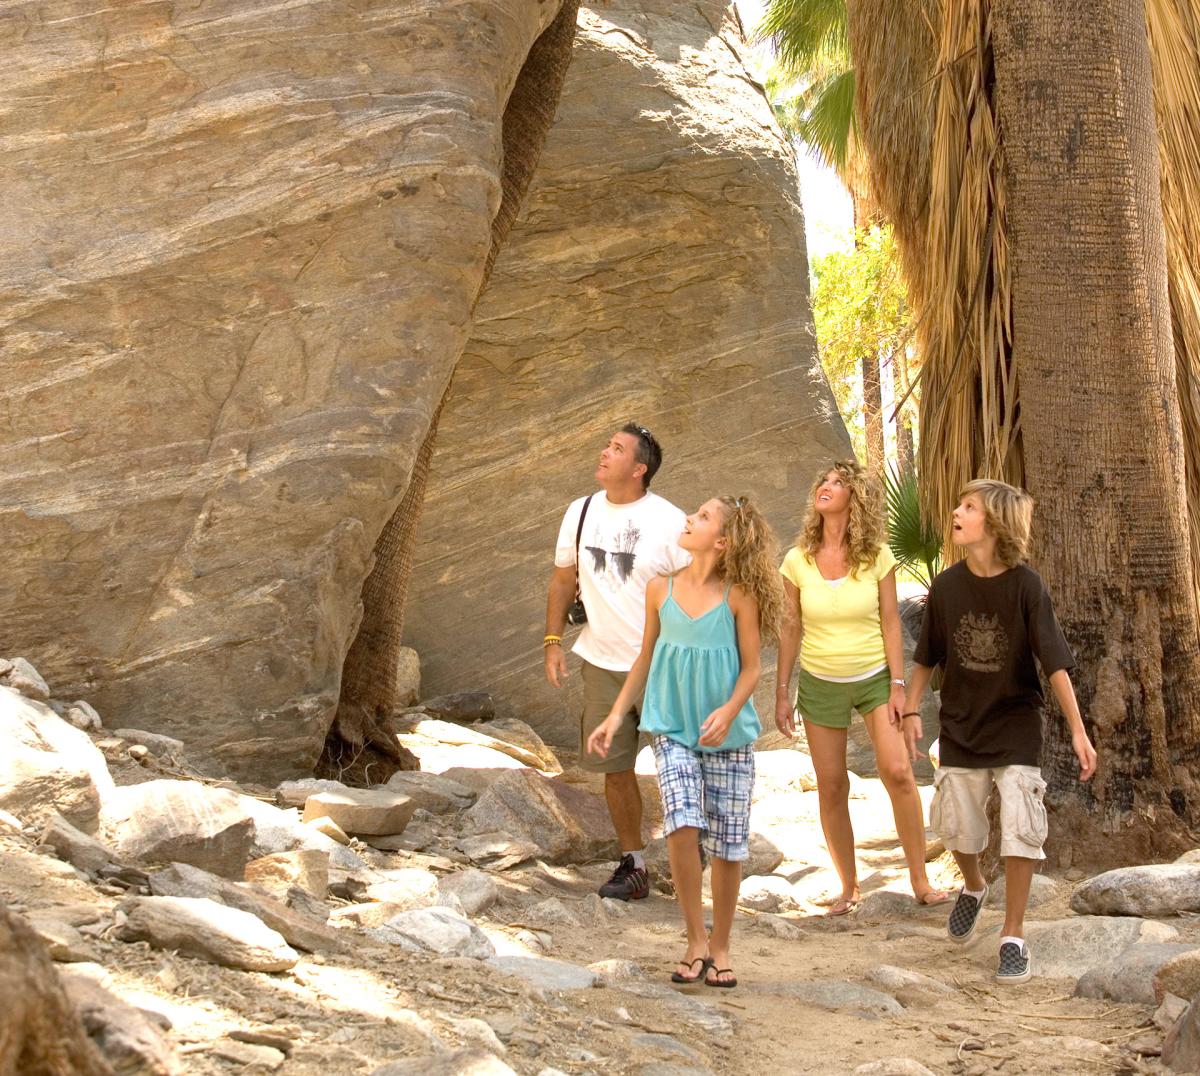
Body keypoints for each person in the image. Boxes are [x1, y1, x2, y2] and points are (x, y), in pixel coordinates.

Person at [901, 479, 1097, 984]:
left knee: (1020, 826)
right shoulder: (945, 586)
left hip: (1016, 724)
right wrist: (910, 710)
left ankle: (1013, 935)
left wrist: (1078, 731)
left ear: (996, 524)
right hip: (962, 725)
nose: (956, 512)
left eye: (969, 507)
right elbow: (928, 656)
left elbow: (1053, 660)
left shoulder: (1026, 585)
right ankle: (972, 886)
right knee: (957, 828)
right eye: (960, 503)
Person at [588, 495, 783, 988]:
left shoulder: (740, 595)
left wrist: (729, 709)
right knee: (681, 820)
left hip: (729, 736)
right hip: (671, 727)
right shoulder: (660, 589)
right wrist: (615, 717)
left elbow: (753, 668)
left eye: (700, 516)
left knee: (728, 845)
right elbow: (645, 659)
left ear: (722, 541)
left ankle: (721, 947)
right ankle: (696, 937)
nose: (688, 520)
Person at [775, 461, 950, 914]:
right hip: (819, 683)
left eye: (838, 483)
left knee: (897, 770)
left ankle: (920, 880)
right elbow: (790, 626)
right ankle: (849, 887)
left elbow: (892, 622)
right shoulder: (797, 560)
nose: (827, 488)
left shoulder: (878, 556)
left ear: (855, 499)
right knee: (831, 786)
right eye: (824, 481)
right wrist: (782, 691)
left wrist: (898, 685)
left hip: (874, 678)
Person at [545, 423, 689, 900]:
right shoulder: (580, 511)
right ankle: (634, 864)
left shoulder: (670, 521)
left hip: (663, 665)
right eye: (608, 446)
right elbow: (563, 579)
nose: (604, 453)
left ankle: (695, 850)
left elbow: (698, 591)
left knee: (679, 765)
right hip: (602, 661)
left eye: (617, 449)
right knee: (615, 766)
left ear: (639, 467)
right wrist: (551, 639)